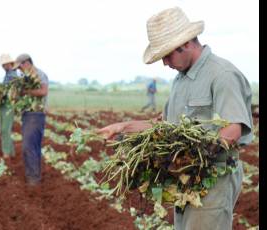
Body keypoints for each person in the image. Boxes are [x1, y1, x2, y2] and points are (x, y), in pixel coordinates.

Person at [97, 7, 253, 230]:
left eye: (167, 55)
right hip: (186, 180)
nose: (165, 63)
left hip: (213, 180)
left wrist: (187, 158)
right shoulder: (181, 80)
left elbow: (232, 131)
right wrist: (123, 127)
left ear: (186, 43)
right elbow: (163, 125)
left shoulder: (222, 75)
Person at [15, 53, 49, 186]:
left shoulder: (40, 74)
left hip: (36, 114)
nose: (19, 70)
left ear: (27, 63)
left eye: (20, 67)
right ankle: (32, 177)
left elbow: (43, 91)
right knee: (30, 147)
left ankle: (34, 179)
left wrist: (26, 92)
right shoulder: (25, 77)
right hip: (28, 115)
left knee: (29, 147)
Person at [0, 54, 20, 159]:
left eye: (5, 64)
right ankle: (11, 152)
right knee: (4, 129)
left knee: (5, 129)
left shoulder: (13, 75)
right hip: (3, 105)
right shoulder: (7, 74)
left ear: (10, 63)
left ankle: (6, 153)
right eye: (3, 65)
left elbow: (12, 93)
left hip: (8, 105)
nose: (4, 66)